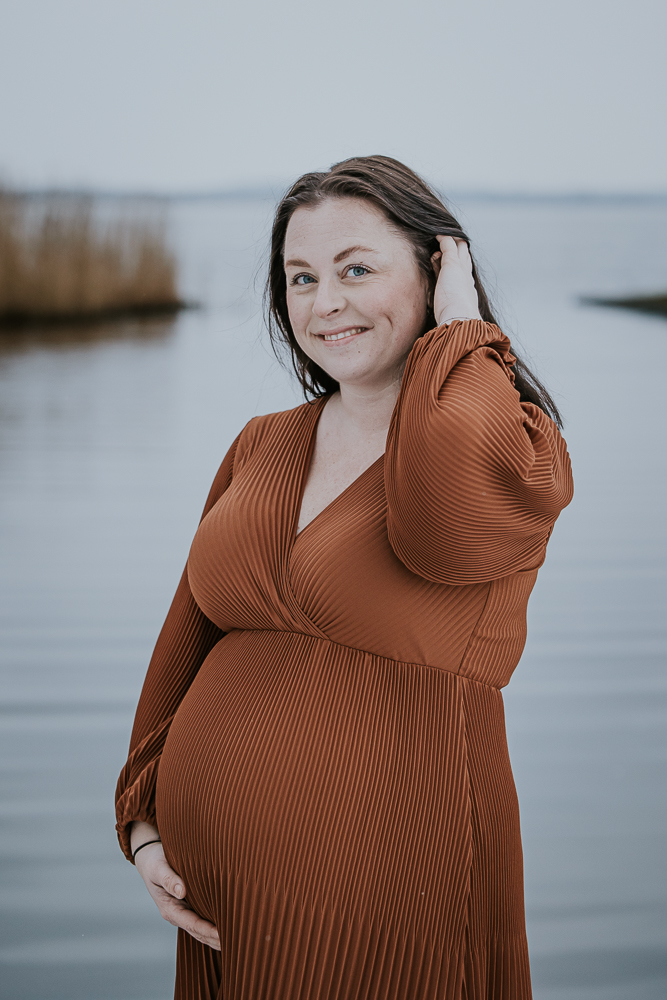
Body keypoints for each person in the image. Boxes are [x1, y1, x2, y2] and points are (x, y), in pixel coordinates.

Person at [116, 155, 573, 1000]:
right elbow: (187, 634)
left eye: (355, 269)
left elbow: (443, 535)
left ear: (437, 270)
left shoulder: (512, 445)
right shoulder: (263, 442)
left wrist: (462, 333)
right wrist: (143, 818)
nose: (323, 303)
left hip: (394, 878)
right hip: (224, 901)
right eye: (300, 277)